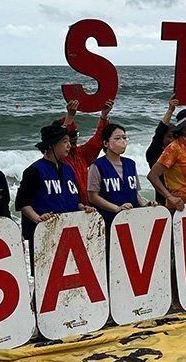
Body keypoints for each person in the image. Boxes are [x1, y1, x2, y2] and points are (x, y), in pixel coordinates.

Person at [15, 121, 96, 261]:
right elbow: (22, 203)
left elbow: (73, 200)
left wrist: (82, 207)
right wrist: (37, 218)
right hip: (45, 233)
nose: (69, 145)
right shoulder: (34, 171)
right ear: (51, 145)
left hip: (69, 231)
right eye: (64, 142)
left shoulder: (69, 169)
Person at [88, 123, 153, 226]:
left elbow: (134, 193)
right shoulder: (97, 166)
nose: (122, 142)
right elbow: (93, 197)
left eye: (124, 138)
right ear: (106, 143)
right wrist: (116, 208)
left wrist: (146, 205)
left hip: (132, 218)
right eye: (117, 138)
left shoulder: (130, 164)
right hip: (108, 221)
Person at [61, 98, 113, 200]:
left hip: (86, 207)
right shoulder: (57, 159)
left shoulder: (81, 154)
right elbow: (57, 136)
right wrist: (70, 116)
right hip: (67, 208)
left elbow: (98, 140)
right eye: (71, 134)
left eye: (76, 133)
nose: (75, 137)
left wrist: (103, 116)